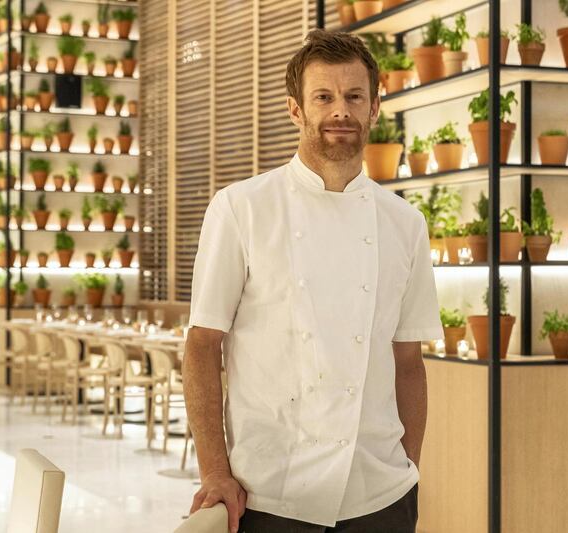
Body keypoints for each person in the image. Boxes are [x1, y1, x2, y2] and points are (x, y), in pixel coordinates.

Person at [182, 29, 443, 533]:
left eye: (353, 97)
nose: (339, 111)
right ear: (296, 110)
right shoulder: (241, 208)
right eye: (323, 97)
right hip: (271, 495)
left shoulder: (404, 223)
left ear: (374, 108)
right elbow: (202, 345)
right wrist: (215, 471)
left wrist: (409, 467)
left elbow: (408, 360)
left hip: (381, 495)